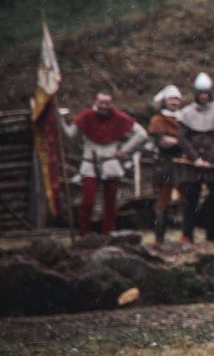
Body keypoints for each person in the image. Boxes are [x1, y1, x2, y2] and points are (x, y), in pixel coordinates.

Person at [63, 92, 148, 235]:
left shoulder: (118, 117)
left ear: (111, 104)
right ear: (96, 102)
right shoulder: (86, 116)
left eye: (106, 103)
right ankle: (83, 234)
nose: (103, 106)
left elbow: (142, 134)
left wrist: (124, 150)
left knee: (110, 203)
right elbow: (70, 136)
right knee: (87, 202)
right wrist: (60, 121)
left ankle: (108, 234)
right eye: (101, 102)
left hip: (110, 164)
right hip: (90, 163)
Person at [176, 72, 214, 245]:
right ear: (196, 93)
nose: (203, 96)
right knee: (190, 200)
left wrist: (210, 159)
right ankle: (187, 234)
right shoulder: (186, 113)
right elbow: (182, 137)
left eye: (206, 93)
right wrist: (195, 158)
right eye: (200, 93)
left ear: (211, 93)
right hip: (192, 163)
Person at [147, 85, 183, 244]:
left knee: (185, 200)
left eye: (176, 99)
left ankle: (185, 237)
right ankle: (159, 238)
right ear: (164, 101)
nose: (174, 102)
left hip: (182, 164)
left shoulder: (184, 118)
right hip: (165, 163)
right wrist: (181, 142)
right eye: (171, 99)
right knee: (163, 202)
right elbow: (163, 142)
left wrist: (179, 142)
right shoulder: (158, 120)